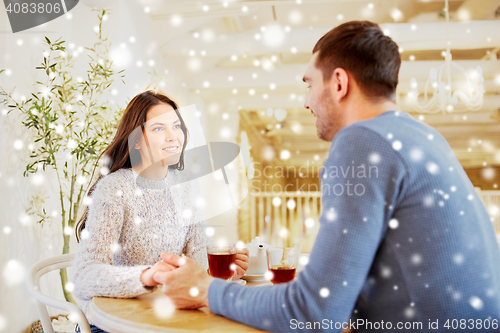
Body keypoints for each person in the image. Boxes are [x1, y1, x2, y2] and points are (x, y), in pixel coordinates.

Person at [152, 21, 500, 332]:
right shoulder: (424, 136)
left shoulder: (363, 141)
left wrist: (205, 289)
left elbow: (315, 314)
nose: (306, 102)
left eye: (309, 84)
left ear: (338, 83)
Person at [71, 91, 249, 333]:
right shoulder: (113, 189)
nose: (173, 136)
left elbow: (196, 260)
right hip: (110, 322)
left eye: (177, 126)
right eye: (158, 129)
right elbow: (84, 275)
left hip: (163, 316)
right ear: (135, 141)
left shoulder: (187, 186)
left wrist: (222, 272)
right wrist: (146, 276)